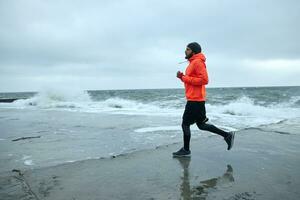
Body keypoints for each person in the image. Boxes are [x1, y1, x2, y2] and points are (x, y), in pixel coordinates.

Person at [173, 42, 235, 157]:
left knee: (185, 124)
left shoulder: (198, 62)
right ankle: (227, 135)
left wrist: (184, 77)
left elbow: (204, 80)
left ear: (194, 51)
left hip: (195, 100)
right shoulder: (193, 63)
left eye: (187, 49)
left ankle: (186, 150)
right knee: (201, 125)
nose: (185, 51)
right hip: (197, 99)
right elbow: (192, 80)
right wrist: (182, 77)